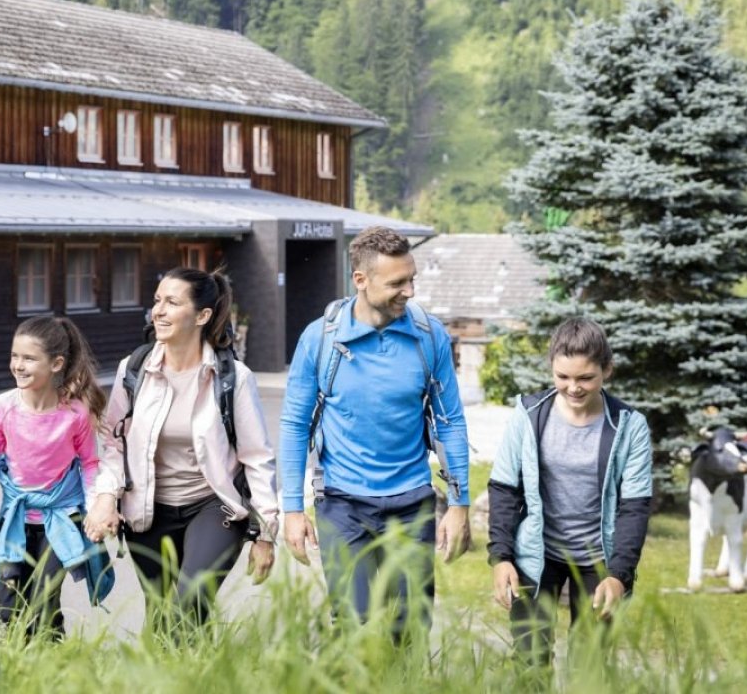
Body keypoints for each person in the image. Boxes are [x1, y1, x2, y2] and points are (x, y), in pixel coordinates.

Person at [279, 226, 471, 643]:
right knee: (353, 624)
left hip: (411, 503)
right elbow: (295, 424)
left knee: (410, 628)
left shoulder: (429, 336)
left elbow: (450, 421)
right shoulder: (321, 339)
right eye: (397, 283)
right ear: (360, 280)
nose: (409, 291)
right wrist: (292, 509)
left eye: (411, 278)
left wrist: (459, 504)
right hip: (342, 503)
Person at [85, 266, 278, 629]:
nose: (158, 310)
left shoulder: (232, 377)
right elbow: (114, 444)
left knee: (191, 600)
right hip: (147, 509)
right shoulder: (135, 368)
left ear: (202, 316)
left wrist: (266, 533)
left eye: (172, 302)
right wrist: (106, 496)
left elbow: (257, 458)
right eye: (157, 301)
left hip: (214, 506)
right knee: (160, 616)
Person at [487, 316, 653, 666]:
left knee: (589, 665)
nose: (573, 387)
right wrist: (501, 558)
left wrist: (619, 576)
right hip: (537, 555)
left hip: (599, 560)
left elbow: (634, 508)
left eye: (585, 378)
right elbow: (504, 488)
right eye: (562, 377)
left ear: (607, 370)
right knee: (529, 661)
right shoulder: (528, 414)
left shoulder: (629, 426)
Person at [0, 315, 114, 637]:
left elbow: (90, 464)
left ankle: (51, 664)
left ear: (56, 363)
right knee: (8, 607)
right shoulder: (1, 408)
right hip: (17, 521)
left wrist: (94, 512)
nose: (18, 365)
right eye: (14, 356)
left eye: (29, 358)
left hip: (60, 519)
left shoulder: (74, 414)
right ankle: (21, 664)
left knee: (44, 601)